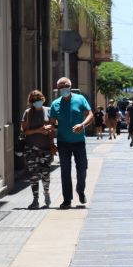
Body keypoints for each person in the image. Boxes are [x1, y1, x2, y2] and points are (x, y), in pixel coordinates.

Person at [49, 77, 94, 209]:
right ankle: (67, 199)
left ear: (71, 85)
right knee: (65, 171)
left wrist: (83, 124)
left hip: (79, 141)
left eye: (66, 85)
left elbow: (90, 114)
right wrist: (51, 144)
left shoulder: (80, 99)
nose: (64, 88)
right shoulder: (55, 104)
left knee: (82, 169)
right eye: (61, 87)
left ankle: (80, 190)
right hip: (63, 143)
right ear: (58, 89)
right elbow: (51, 125)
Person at [20, 90, 55, 209]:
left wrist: (49, 129)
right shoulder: (28, 113)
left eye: (39, 99)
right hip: (31, 149)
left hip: (45, 148)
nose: (37, 102)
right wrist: (38, 130)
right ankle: (35, 199)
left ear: (43, 98)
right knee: (33, 175)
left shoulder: (48, 110)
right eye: (34, 100)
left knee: (45, 173)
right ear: (31, 102)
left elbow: (53, 125)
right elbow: (24, 131)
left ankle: (46, 192)